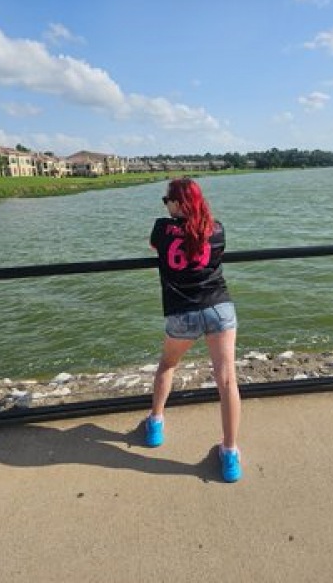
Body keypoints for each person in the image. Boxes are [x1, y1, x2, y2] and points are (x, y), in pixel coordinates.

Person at [146, 177, 242, 483]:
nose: (166, 205)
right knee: (227, 381)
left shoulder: (162, 228)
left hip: (182, 311)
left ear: (177, 203)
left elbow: (155, 247)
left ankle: (155, 424)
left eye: (167, 200)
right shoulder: (218, 229)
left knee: (167, 365)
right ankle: (230, 453)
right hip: (219, 308)